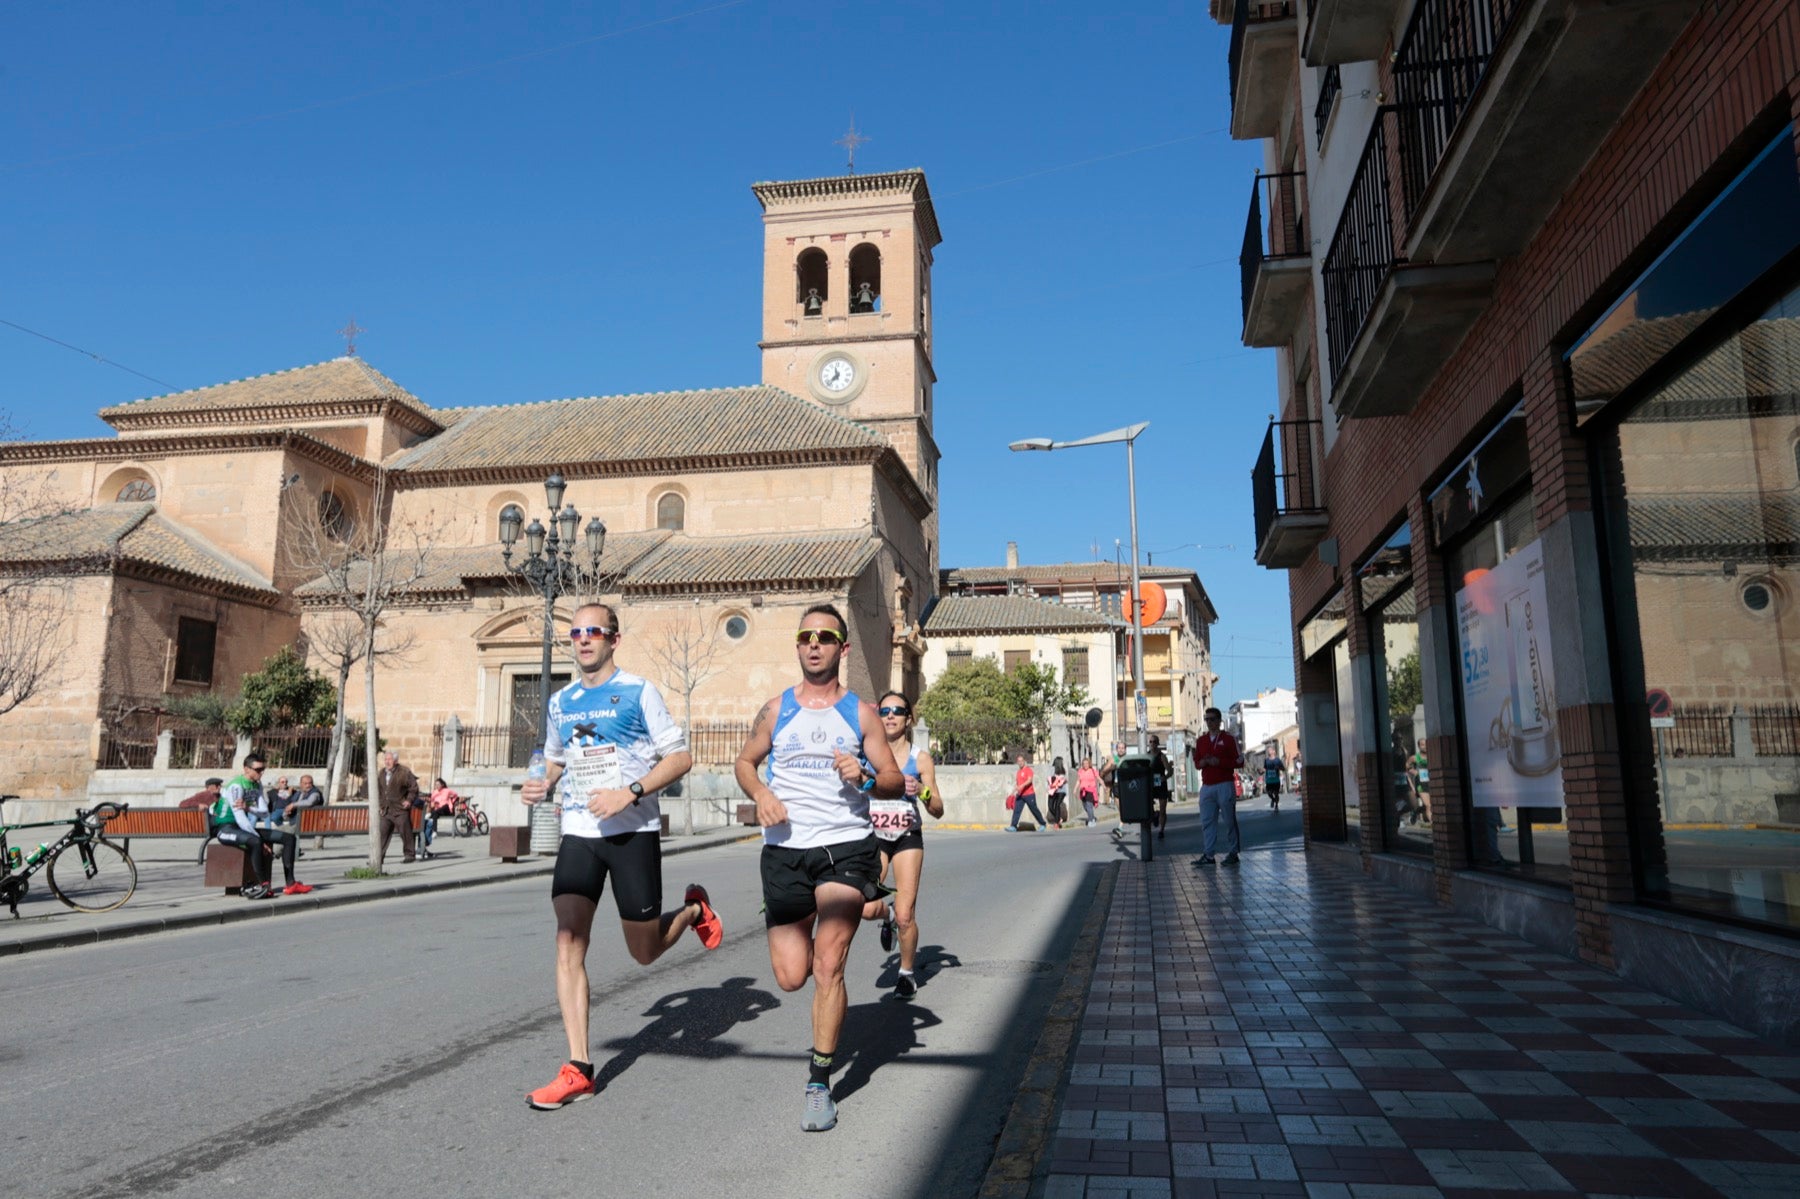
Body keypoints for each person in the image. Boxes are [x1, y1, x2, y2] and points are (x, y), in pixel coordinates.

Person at [521, 602, 723, 1112]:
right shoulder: (561, 701)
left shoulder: (638, 692)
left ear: (613, 639)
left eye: (594, 631)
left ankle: (695, 908)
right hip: (581, 831)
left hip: (632, 831)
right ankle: (579, 1067)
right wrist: (540, 781)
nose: (583, 639)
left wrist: (630, 792)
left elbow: (680, 757)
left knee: (644, 951)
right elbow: (555, 757)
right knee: (568, 939)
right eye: (575, 632)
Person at [735, 603, 903, 1132]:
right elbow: (744, 761)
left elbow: (896, 780)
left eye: (825, 636)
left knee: (829, 965)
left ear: (842, 648)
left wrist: (868, 777)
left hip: (845, 848)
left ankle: (818, 1081)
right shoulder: (776, 709)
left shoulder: (860, 714)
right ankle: (874, 907)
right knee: (791, 976)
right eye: (806, 636)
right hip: (785, 852)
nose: (814, 644)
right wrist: (760, 792)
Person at [860, 690, 943, 999]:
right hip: (874, 837)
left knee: (908, 914)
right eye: (884, 711)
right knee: (864, 906)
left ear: (909, 719)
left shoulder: (920, 758)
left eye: (897, 711)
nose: (890, 716)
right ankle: (889, 916)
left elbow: (937, 808)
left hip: (907, 837)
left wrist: (921, 791)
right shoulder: (867, 754)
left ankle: (906, 973)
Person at [1192, 708, 1242, 866]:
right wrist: (1204, 762)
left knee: (1229, 820)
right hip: (1207, 786)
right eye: (1207, 719)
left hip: (1224, 784)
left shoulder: (1229, 739)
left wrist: (1219, 762)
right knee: (1207, 822)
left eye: (1212, 719)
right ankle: (1209, 855)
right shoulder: (1201, 741)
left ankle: (1233, 852)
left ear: (1219, 721)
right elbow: (1197, 763)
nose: (1209, 722)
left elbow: (1240, 762)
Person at [375, 750, 420, 870]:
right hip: (386, 809)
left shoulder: (404, 772)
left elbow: (413, 788)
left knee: (405, 832)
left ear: (395, 761)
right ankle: (378, 858)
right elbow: (379, 791)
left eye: (389, 759)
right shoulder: (381, 773)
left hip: (400, 809)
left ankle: (409, 855)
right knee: (382, 833)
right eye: (385, 759)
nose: (387, 762)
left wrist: (409, 801)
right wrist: (380, 805)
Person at [1005, 753, 1045, 831]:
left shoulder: (1028, 770)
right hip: (1020, 795)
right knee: (1017, 810)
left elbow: (1029, 780)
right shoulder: (1018, 772)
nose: (1020, 762)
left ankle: (1042, 824)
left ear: (1024, 761)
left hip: (1029, 794)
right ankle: (1013, 826)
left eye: (1021, 761)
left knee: (1034, 809)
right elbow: (1018, 784)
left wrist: (1022, 786)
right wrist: (1013, 792)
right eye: (1019, 761)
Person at [1148, 735, 1174, 841]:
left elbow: (1170, 771)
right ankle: (1154, 815)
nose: (1153, 744)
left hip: (1161, 783)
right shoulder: (1147, 756)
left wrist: (1165, 777)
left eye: (1154, 742)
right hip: (1151, 784)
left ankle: (1161, 831)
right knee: (1148, 807)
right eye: (1151, 742)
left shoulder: (1162, 756)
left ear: (1158, 743)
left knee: (1163, 809)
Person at [423, 777, 460, 849]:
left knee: (444, 806)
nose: (437, 786)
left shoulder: (447, 790)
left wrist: (452, 800)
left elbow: (456, 795)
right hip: (438, 810)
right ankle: (435, 832)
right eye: (436, 784)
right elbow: (432, 801)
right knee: (435, 813)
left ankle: (431, 814)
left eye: (438, 784)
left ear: (442, 785)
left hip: (447, 809)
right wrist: (434, 803)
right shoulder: (434, 792)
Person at [1076, 757, 1102, 826]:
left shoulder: (1092, 771)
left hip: (1090, 790)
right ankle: (1092, 817)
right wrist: (1075, 789)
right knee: (1085, 806)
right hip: (1083, 791)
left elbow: (1099, 778)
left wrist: (1104, 785)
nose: (1085, 765)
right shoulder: (1080, 771)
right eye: (1084, 764)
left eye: (1086, 763)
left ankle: (1091, 821)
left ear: (1089, 764)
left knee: (1089, 805)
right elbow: (1078, 781)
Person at [1046, 756, 1069, 829]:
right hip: (1052, 790)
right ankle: (1058, 818)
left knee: (1057, 805)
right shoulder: (1051, 769)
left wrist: (1062, 781)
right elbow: (1048, 778)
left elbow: (1065, 780)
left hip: (1061, 791)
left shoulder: (1063, 770)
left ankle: (1056, 823)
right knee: (1050, 806)